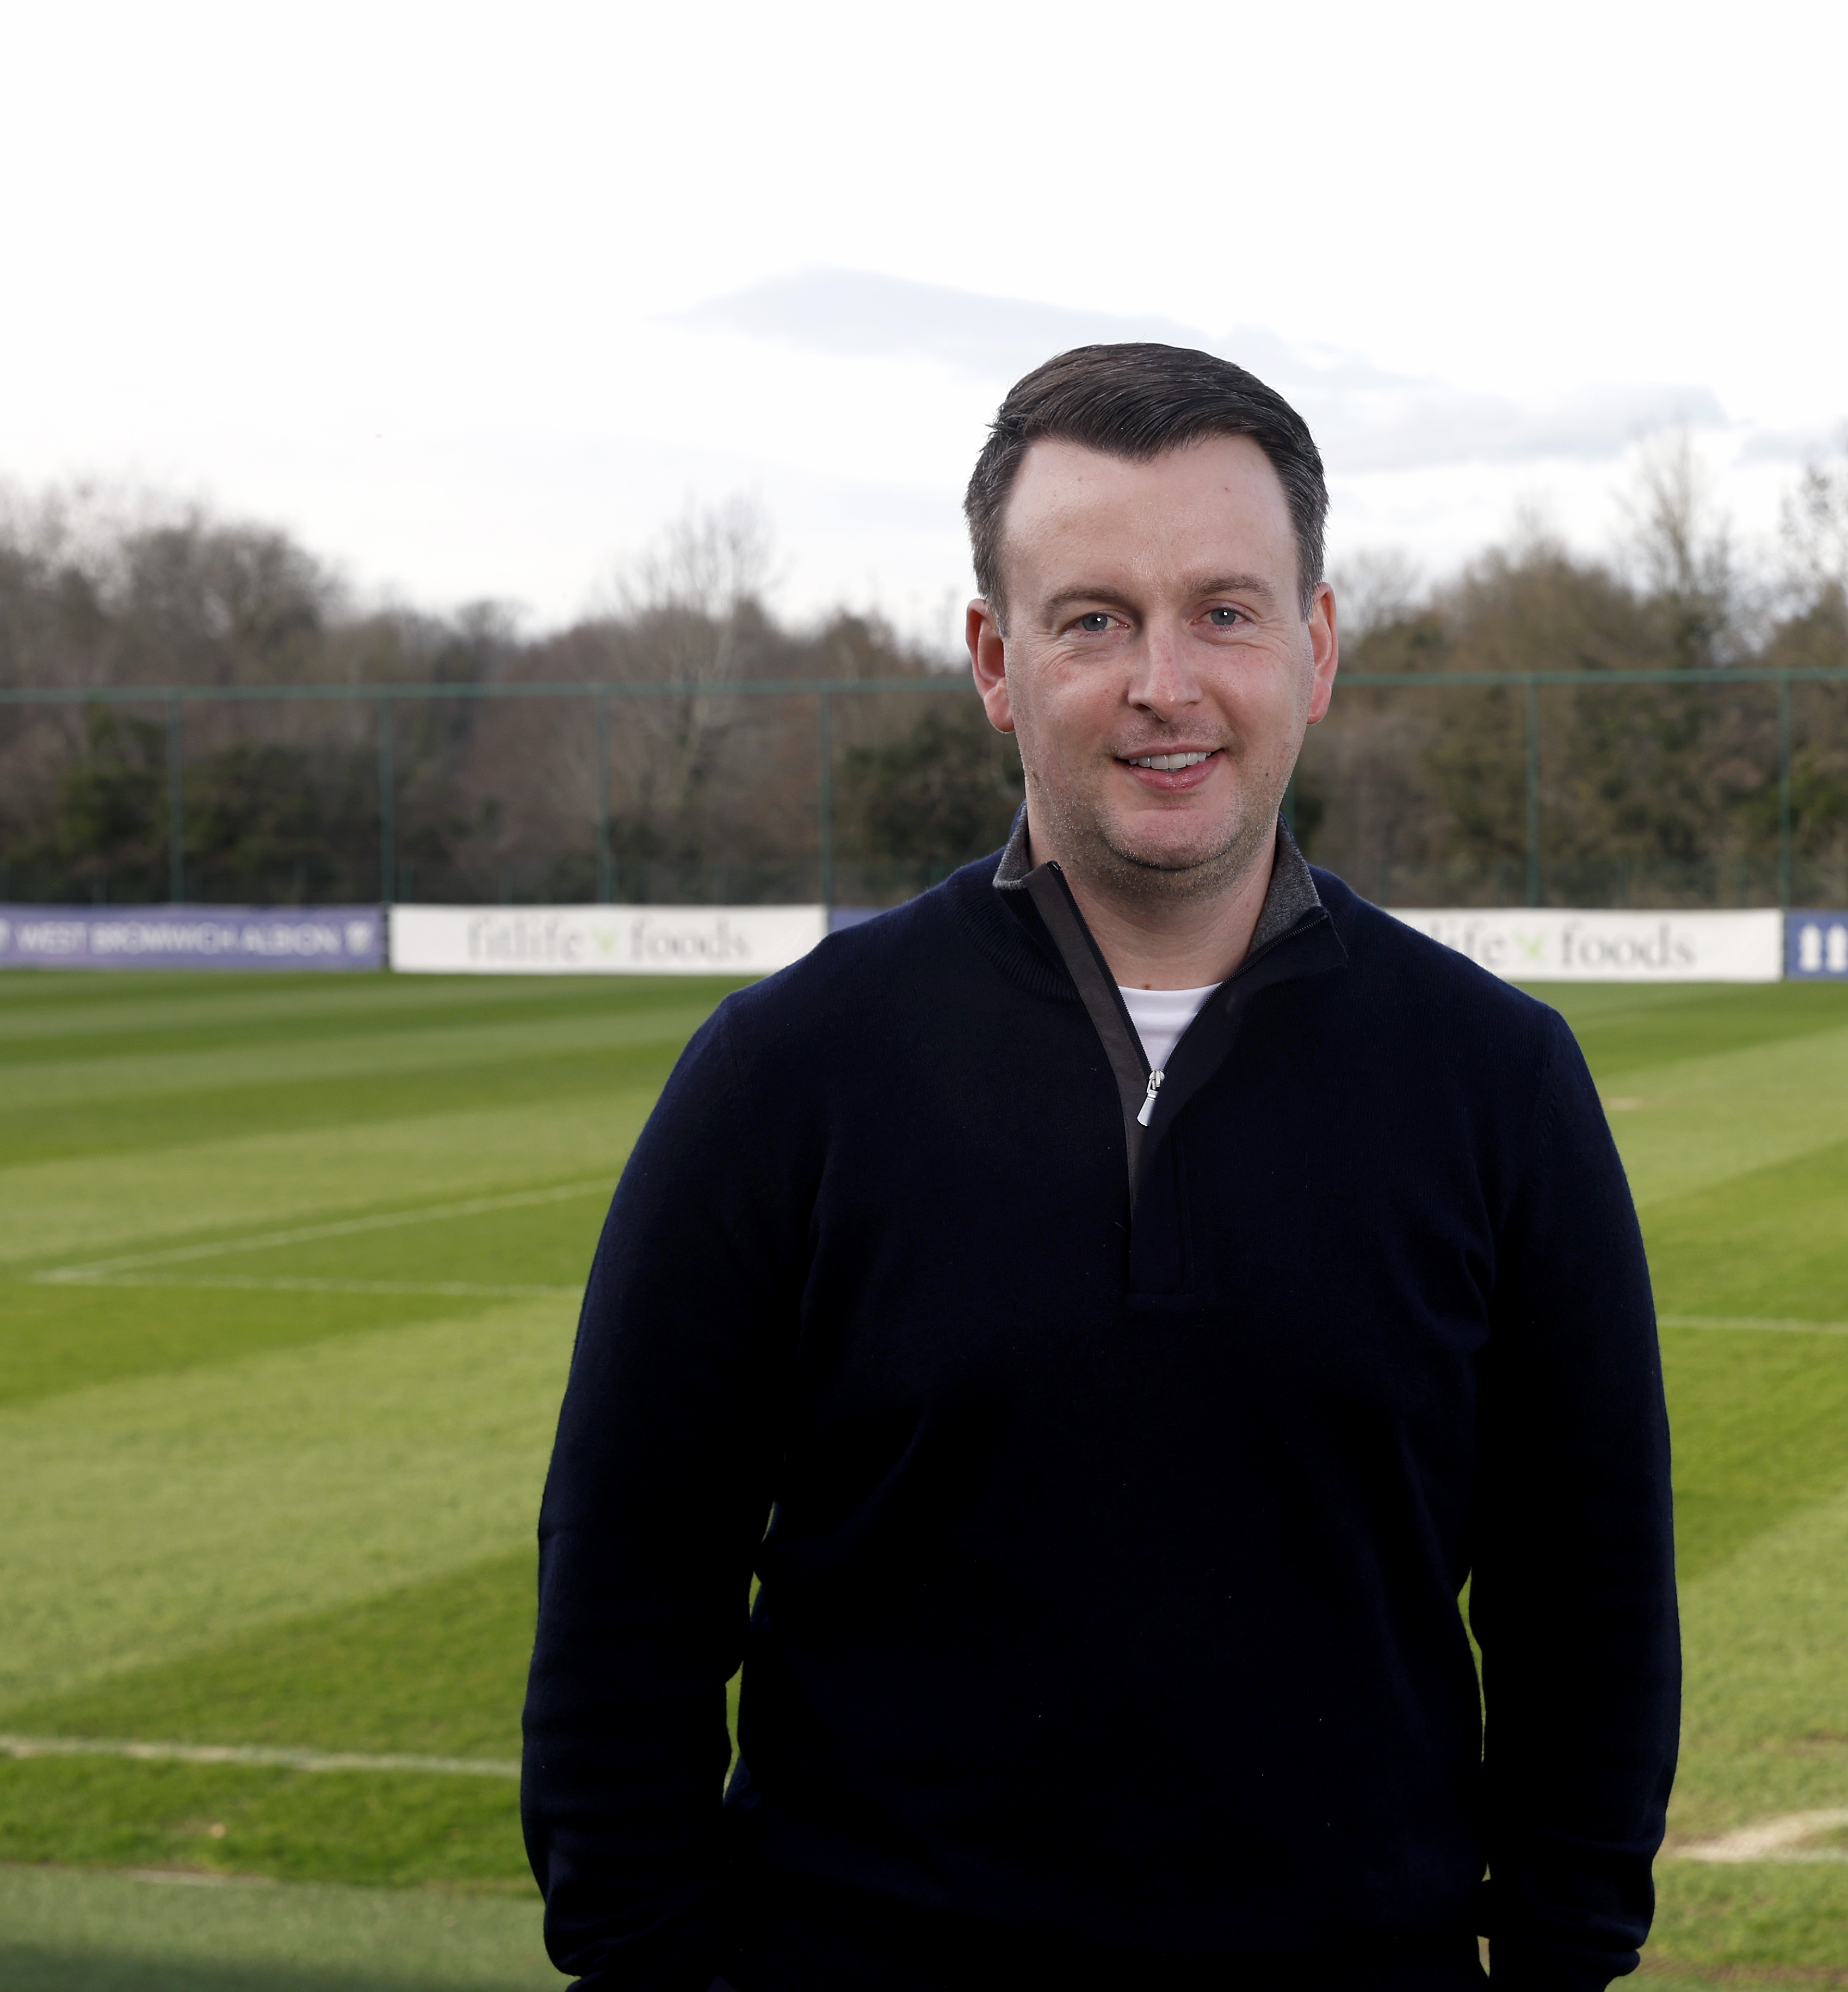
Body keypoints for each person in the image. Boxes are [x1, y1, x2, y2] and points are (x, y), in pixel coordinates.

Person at [521, 343, 1680, 1990]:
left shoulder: (1499, 1081)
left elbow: (1591, 1608)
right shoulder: (783, 1076)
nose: (1163, 682)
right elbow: (628, 1597)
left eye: (1224, 610)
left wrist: (1560, 1966)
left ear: (1315, 646)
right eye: (1093, 620)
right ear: (996, 660)